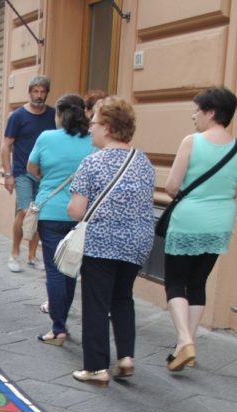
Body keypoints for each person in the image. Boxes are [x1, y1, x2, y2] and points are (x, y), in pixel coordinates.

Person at [66, 97, 156, 384]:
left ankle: (96, 368)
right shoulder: (143, 161)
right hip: (137, 242)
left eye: (93, 123)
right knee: (123, 298)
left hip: (101, 242)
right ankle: (126, 357)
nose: (90, 128)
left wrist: (71, 207)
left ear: (106, 128)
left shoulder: (92, 162)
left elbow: (78, 211)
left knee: (95, 303)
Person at [162, 86, 237, 372]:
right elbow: (234, 190)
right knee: (197, 283)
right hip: (220, 221)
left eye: (197, 110)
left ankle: (184, 340)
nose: (193, 115)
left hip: (189, 219)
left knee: (174, 281)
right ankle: (186, 346)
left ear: (211, 112)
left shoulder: (192, 141)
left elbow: (172, 187)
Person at [27, 93, 94, 345]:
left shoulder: (47, 138)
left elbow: (31, 168)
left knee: (54, 270)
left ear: (59, 114)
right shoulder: (93, 141)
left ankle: (58, 327)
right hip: (83, 212)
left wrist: (49, 175)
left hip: (51, 211)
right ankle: (62, 320)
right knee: (71, 268)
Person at [1, 75, 56, 272]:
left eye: (43, 92)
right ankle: (15, 253)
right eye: (36, 91)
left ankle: (33, 255)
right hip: (22, 172)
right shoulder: (17, 116)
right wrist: (8, 174)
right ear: (30, 92)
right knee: (25, 211)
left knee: (39, 213)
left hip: (45, 174)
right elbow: (6, 145)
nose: (39, 96)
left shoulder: (53, 115)